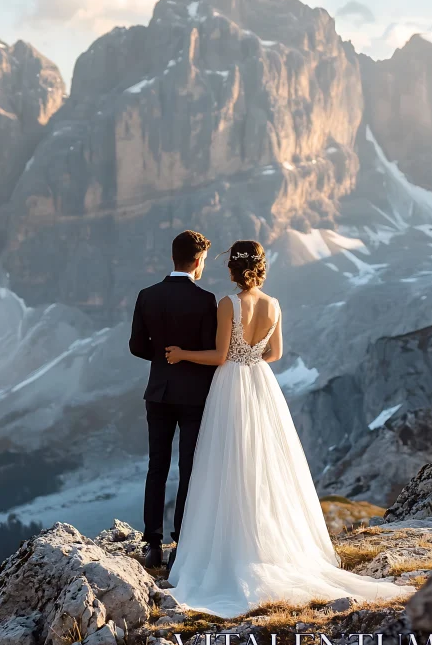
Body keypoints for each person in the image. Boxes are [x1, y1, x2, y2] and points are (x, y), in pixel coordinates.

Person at [163, 240, 416, 618]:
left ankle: (229, 547)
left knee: (227, 462)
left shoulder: (228, 304)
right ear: (261, 268)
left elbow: (218, 356)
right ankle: (267, 543)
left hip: (231, 384)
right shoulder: (274, 305)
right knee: (265, 465)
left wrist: (182, 354)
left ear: (233, 269)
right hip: (261, 383)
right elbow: (275, 353)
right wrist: (252, 354)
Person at [129, 230, 217, 570]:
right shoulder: (205, 299)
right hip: (194, 396)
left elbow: (136, 346)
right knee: (189, 471)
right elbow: (210, 349)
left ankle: (152, 545)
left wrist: (163, 356)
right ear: (197, 262)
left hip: (159, 392)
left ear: (173, 258)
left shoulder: (147, 295)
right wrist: (184, 356)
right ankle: (181, 545)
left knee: (157, 468)